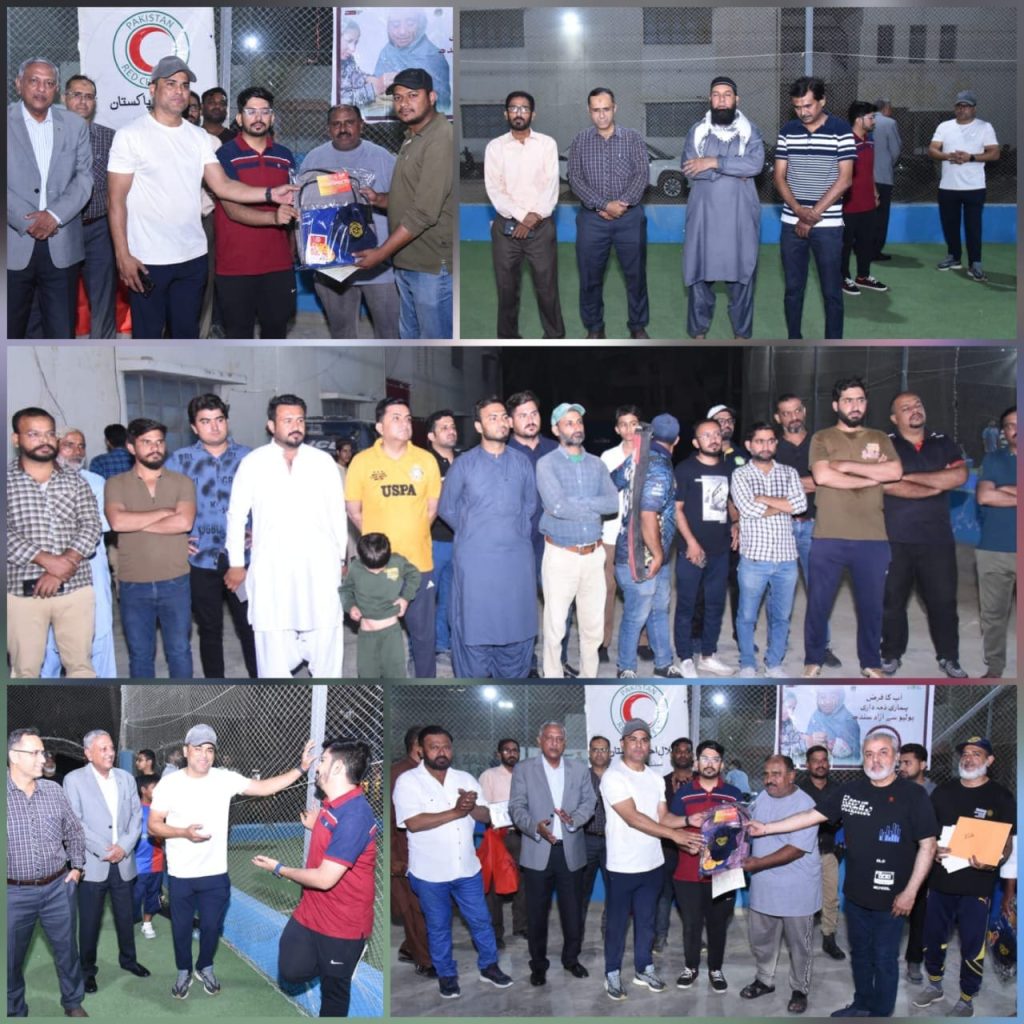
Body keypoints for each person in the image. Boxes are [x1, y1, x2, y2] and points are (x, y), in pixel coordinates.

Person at [749, 731, 939, 1018]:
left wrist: (911, 892)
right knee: (860, 955)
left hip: (894, 898)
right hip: (856, 895)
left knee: (885, 959)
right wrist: (766, 828)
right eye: (869, 753)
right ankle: (861, 1004)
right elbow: (810, 817)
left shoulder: (913, 795)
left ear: (896, 757)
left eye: (883, 752)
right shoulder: (851, 792)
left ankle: (881, 1013)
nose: (875, 759)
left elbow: (928, 846)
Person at [106, 56, 297, 339]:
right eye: (170, 84)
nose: (179, 91)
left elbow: (223, 186)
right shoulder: (129, 135)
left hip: (193, 258)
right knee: (147, 340)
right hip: (147, 259)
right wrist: (123, 255)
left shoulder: (199, 138)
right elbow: (116, 201)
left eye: (184, 85)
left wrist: (269, 193)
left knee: (186, 336)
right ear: (152, 89)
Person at [149, 724, 318, 999]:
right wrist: (183, 833)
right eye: (198, 749)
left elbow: (264, 788)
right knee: (180, 929)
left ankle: (205, 966)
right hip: (180, 874)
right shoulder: (170, 783)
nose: (204, 755)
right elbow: (154, 825)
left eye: (209, 749)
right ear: (185, 751)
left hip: (215, 874)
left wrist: (300, 769)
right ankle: (183, 970)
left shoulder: (224, 779)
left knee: (211, 927)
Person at [251, 738, 378, 1017]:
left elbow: (324, 879)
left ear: (337, 768)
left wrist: (278, 868)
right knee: (291, 969)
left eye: (322, 761)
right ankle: (338, 965)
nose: (317, 767)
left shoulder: (355, 815)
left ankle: (343, 964)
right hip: (311, 912)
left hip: (343, 925)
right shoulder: (331, 805)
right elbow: (329, 828)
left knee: (334, 993)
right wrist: (315, 824)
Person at [225, 394, 347, 678]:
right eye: (287, 420)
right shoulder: (254, 462)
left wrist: (341, 557)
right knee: (273, 641)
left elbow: (336, 514)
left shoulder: (322, 462)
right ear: (271, 425)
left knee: (326, 634)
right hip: (272, 568)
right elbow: (236, 515)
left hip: (319, 565)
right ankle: (280, 714)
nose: (296, 426)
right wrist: (235, 563)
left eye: (300, 420)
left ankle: (326, 709)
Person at [392, 726, 513, 999]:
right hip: (429, 873)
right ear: (421, 750)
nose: (441, 751)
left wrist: (473, 807)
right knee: (438, 926)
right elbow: (413, 822)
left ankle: (489, 967)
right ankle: (447, 975)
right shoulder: (408, 781)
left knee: (481, 921)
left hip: (467, 869)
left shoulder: (466, 778)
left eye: (446, 746)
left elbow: (484, 816)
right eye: (434, 747)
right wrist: (457, 811)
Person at [803, 377, 902, 677]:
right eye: (848, 400)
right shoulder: (822, 438)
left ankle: (870, 663)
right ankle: (813, 659)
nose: (854, 405)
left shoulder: (880, 437)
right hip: (828, 536)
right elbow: (823, 477)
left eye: (860, 399)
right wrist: (873, 476)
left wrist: (845, 466)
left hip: (872, 537)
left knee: (871, 607)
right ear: (836, 405)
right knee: (818, 604)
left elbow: (895, 470)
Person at [914, 737, 1016, 1018]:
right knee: (933, 937)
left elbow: (1009, 844)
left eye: (976, 753)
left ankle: (967, 997)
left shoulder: (1001, 797)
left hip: (977, 885)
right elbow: (927, 832)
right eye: (965, 754)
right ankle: (934, 984)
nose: (968, 758)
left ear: (989, 761)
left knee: (973, 943)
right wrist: (932, 848)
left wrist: (996, 860)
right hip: (940, 881)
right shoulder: (943, 793)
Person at [438, 397, 537, 677]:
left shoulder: (521, 463)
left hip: (515, 562)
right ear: (479, 426)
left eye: (504, 416)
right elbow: (447, 508)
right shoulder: (464, 464)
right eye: (492, 417)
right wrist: (474, 531)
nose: (501, 421)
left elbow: (529, 505)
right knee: (474, 625)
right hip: (476, 562)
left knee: (516, 625)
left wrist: (509, 534)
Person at [601, 720, 699, 1000]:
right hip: (622, 866)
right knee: (617, 924)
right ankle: (612, 973)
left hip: (653, 864)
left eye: (644, 739)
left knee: (646, 922)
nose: (639, 744)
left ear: (650, 745)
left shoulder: (656, 779)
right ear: (622, 744)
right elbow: (632, 818)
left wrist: (688, 821)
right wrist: (674, 836)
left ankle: (644, 968)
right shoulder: (613, 776)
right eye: (633, 739)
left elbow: (662, 818)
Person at [346, 397, 442, 678]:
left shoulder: (425, 460)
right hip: (378, 568)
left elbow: (431, 509)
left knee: (424, 638)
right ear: (379, 426)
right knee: (377, 637)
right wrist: (379, 548)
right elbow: (354, 511)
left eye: (408, 418)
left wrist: (409, 534)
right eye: (396, 418)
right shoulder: (362, 463)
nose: (405, 423)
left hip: (419, 565)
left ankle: (426, 690)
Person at [354, 69, 453, 339]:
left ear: (432, 97)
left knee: (433, 341)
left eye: (412, 95)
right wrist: (379, 199)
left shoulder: (441, 138)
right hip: (409, 261)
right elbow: (411, 197)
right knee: (410, 339)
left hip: (431, 266)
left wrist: (380, 254)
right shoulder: (413, 136)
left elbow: (423, 213)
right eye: (397, 97)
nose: (403, 103)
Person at [165, 394, 256, 678]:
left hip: (243, 558)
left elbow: (271, 501)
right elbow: (163, 506)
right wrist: (176, 538)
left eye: (219, 420)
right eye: (205, 422)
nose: (214, 427)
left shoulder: (250, 458)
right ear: (194, 427)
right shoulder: (179, 461)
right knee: (209, 628)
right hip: (201, 560)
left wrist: (261, 530)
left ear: (227, 421)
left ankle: (262, 686)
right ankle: (215, 685)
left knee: (251, 625)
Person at [7, 407, 102, 678]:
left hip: (75, 589)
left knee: (81, 668)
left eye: (49, 433)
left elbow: (91, 524)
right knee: (25, 671)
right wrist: (47, 560)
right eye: (34, 434)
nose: (44, 440)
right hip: (22, 592)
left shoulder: (74, 480)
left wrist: (62, 567)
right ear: (17, 439)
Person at [880, 392, 968, 677]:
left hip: (937, 540)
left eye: (918, 404)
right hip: (894, 539)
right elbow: (883, 484)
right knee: (892, 603)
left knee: (943, 602)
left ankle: (949, 657)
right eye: (906, 408)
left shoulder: (943, 441)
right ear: (895, 418)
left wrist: (903, 476)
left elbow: (958, 476)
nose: (914, 410)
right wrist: (934, 483)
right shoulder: (885, 444)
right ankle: (891, 654)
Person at [8, 58, 92, 339]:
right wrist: (26, 219)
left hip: (61, 244)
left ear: (56, 90)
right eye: (34, 81)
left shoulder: (74, 125)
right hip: (13, 244)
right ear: (18, 84)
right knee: (10, 332)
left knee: (61, 332)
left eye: (48, 83)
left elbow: (84, 178)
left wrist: (53, 216)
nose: (41, 89)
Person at [104, 418, 196, 679]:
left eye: (159, 442)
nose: (155, 448)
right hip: (134, 584)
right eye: (146, 442)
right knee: (140, 655)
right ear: (132, 447)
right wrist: (163, 513)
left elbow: (184, 522)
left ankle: (184, 708)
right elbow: (117, 521)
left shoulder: (182, 482)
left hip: (176, 582)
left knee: (179, 651)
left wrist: (136, 520)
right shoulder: (116, 483)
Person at [7, 727, 88, 1018]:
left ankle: (73, 1001)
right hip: (12, 893)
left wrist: (77, 867)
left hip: (58, 888)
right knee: (10, 958)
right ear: (14, 757)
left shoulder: (54, 791)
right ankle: (15, 1009)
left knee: (67, 950)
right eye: (36, 753)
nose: (43, 758)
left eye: (42, 752)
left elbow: (75, 832)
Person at [299, 104, 399, 339]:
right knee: (342, 333)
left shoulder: (382, 157)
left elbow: (403, 201)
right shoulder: (314, 158)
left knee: (390, 332)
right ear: (328, 129)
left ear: (361, 125)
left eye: (349, 122)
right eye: (336, 124)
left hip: (378, 265)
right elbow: (302, 206)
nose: (343, 129)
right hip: (332, 266)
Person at [509, 722, 596, 986]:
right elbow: (516, 806)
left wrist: (573, 821)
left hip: (570, 851)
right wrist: (534, 827)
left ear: (565, 743)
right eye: (550, 738)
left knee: (573, 912)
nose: (555, 743)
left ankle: (571, 959)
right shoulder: (524, 770)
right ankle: (538, 965)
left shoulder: (580, 770)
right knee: (536, 914)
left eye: (559, 739)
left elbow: (589, 802)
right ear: (540, 740)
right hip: (538, 851)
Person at [537, 402, 620, 678]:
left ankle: (589, 681)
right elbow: (557, 507)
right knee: (555, 628)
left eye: (579, 422)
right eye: (569, 422)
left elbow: (611, 504)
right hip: (561, 555)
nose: (576, 427)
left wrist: (579, 502)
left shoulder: (596, 464)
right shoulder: (546, 464)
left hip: (594, 556)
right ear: (555, 429)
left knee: (592, 629)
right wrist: (589, 504)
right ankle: (553, 681)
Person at [63, 730, 149, 993]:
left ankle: (129, 960)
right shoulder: (73, 780)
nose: (110, 753)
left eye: (111, 747)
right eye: (102, 749)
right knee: (89, 922)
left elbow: (136, 818)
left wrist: (123, 847)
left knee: (126, 917)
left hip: (123, 863)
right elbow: (75, 822)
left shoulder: (125, 778)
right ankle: (87, 970)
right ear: (88, 753)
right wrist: (105, 850)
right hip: (91, 864)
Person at [681, 76, 764, 339]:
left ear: (736, 99)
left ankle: (741, 334)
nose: (721, 100)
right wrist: (731, 169)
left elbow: (755, 166)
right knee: (699, 277)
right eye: (716, 95)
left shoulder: (750, 130)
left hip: (739, 218)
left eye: (727, 95)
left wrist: (713, 162)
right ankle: (698, 333)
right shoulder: (697, 131)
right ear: (710, 99)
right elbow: (689, 169)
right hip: (704, 217)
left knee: (741, 276)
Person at [212, 87, 298, 338]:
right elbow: (232, 208)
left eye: (264, 112)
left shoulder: (285, 156)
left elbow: (293, 205)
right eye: (251, 111)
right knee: (238, 337)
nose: (258, 117)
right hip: (236, 267)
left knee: (276, 333)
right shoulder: (224, 155)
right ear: (239, 118)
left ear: (272, 117)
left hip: (278, 265)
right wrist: (273, 217)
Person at [774, 76, 855, 339]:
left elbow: (845, 179)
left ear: (822, 101)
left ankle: (834, 344)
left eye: (808, 105)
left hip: (828, 226)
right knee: (792, 290)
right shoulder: (788, 131)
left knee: (832, 292)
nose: (803, 112)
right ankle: (793, 340)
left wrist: (811, 216)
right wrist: (799, 211)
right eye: (797, 107)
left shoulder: (841, 130)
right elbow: (778, 177)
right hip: (791, 223)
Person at [740, 755, 820, 1015]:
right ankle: (765, 980)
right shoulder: (763, 797)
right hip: (763, 887)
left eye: (776, 774)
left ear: (791, 775)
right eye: (766, 774)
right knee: (761, 939)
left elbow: (796, 850)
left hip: (797, 891)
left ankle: (800, 988)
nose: (769, 780)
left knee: (800, 945)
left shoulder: (806, 804)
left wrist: (757, 864)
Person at [568, 87, 649, 340]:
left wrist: (621, 204)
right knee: (590, 277)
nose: (601, 115)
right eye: (596, 110)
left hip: (630, 219)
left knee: (635, 276)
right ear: (589, 111)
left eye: (606, 109)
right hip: (592, 220)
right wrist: (604, 205)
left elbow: (642, 175)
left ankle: (637, 326)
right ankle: (594, 327)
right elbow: (575, 179)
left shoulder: (633, 138)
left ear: (615, 108)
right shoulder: (580, 141)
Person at [484, 90, 565, 339]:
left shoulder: (547, 144)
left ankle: (555, 338)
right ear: (506, 113)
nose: (519, 113)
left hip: (540, 228)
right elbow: (495, 190)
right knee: (506, 290)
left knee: (547, 288)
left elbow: (551, 186)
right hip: (507, 229)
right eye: (514, 108)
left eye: (524, 108)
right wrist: (523, 217)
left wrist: (532, 219)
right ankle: (508, 341)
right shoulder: (495, 147)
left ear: (533, 113)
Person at [731, 421, 807, 677]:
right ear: (749, 445)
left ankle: (774, 662)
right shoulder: (740, 475)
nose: (765, 446)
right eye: (760, 441)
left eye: (770, 440)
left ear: (776, 443)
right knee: (747, 616)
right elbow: (748, 510)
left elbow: (800, 504)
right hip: (755, 559)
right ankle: (747, 663)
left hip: (787, 559)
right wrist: (783, 504)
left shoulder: (789, 473)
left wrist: (763, 499)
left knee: (782, 617)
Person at [612, 413, 684, 679]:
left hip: (654, 554)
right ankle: (626, 667)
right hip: (642, 554)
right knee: (637, 612)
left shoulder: (637, 459)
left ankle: (663, 662)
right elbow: (647, 514)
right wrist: (656, 554)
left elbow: (613, 481)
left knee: (659, 608)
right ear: (677, 440)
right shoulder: (660, 467)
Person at [40, 428, 116, 678]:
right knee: (48, 642)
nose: (77, 451)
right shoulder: (36, 481)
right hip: (47, 569)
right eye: (69, 445)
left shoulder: (96, 482)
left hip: (91, 567)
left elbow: (96, 527)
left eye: (81, 445)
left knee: (99, 632)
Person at [773, 394, 842, 667]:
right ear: (779, 418)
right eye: (786, 413)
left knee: (819, 590)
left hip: (817, 526)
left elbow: (830, 480)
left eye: (797, 411)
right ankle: (776, 647)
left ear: (804, 411)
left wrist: (786, 483)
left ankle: (821, 647)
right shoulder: (772, 446)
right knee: (780, 591)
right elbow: (766, 487)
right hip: (781, 527)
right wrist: (814, 481)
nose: (793, 417)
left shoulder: (822, 443)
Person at [670, 739, 743, 992]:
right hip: (687, 873)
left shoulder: (733, 795)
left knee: (717, 924)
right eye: (705, 758)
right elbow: (669, 825)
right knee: (691, 924)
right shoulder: (684, 793)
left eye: (715, 759)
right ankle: (690, 967)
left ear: (721, 764)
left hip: (723, 873)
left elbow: (740, 834)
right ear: (696, 762)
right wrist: (683, 844)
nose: (709, 764)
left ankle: (715, 968)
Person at [672, 419, 737, 678]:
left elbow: (731, 502)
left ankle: (708, 655)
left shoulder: (729, 469)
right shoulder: (685, 469)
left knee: (715, 604)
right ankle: (685, 657)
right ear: (696, 442)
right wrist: (691, 542)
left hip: (720, 550)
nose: (713, 439)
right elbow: (676, 510)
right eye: (706, 435)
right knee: (687, 604)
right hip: (692, 550)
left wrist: (737, 523)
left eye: (717, 434)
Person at [505, 390, 563, 675]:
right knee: (523, 607)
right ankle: (526, 664)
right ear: (511, 421)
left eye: (534, 413)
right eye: (522, 415)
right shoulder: (504, 453)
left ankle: (558, 662)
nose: (530, 420)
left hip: (554, 539)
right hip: (519, 542)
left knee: (560, 605)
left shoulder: (556, 449)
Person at [63, 74, 117, 339]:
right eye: (76, 95)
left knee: (103, 298)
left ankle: (103, 350)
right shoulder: (50, 136)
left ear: (95, 102)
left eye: (88, 96)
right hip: (61, 230)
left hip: (98, 228)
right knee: (60, 299)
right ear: (64, 98)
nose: (82, 102)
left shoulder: (109, 138)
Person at [929, 91, 999, 282]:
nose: (962, 109)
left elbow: (994, 153)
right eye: (959, 106)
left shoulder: (985, 127)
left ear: (974, 109)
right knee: (950, 225)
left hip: (974, 187)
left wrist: (972, 157)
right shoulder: (945, 126)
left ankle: (975, 263)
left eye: (966, 106)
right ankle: (954, 257)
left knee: (973, 227)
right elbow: (933, 149)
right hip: (948, 187)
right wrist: (948, 156)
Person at [340, 532, 420, 678]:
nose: (376, 572)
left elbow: (415, 575)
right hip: (367, 636)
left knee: (396, 677)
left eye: (381, 568)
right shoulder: (355, 568)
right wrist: (350, 606)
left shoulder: (397, 562)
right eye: (371, 569)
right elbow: (345, 590)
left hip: (392, 634)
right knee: (367, 677)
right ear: (361, 559)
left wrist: (405, 598)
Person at [973, 406, 1016, 677]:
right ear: (1004, 432)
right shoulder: (993, 459)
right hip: (993, 550)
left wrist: (1005, 491)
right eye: (1011, 425)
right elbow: (985, 497)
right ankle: (995, 667)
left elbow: (996, 493)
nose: (1017, 430)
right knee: (993, 616)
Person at [390, 726, 434, 978]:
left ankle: (410, 948)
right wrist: (395, 858)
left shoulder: (428, 773)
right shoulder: (398, 773)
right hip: (404, 855)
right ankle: (425, 960)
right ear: (417, 747)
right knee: (414, 909)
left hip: (429, 853)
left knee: (427, 908)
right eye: (431, 744)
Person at [599, 404, 642, 662]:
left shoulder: (650, 454)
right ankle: (602, 643)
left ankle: (643, 640)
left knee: (640, 588)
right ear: (617, 429)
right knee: (606, 589)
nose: (629, 428)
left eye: (633, 423)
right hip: (611, 533)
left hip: (641, 534)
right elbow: (604, 493)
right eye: (623, 424)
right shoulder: (608, 457)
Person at [796, 745, 846, 960]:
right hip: (801, 852)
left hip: (827, 850)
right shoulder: (797, 789)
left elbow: (847, 819)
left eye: (824, 760)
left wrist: (841, 847)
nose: (820, 764)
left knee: (830, 897)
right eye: (815, 760)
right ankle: (799, 940)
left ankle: (829, 938)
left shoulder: (838, 789)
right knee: (801, 897)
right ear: (808, 765)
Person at [478, 739, 527, 947]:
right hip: (499, 835)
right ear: (499, 754)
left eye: (515, 750)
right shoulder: (489, 776)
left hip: (523, 834)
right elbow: (483, 807)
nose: (511, 753)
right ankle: (496, 932)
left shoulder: (526, 775)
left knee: (524, 882)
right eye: (507, 750)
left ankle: (522, 926)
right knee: (494, 886)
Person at [841, 102, 888, 297]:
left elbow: (868, 171)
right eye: (871, 117)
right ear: (859, 119)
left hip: (868, 202)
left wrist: (875, 192)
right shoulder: (845, 142)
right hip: (848, 204)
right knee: (844, 244)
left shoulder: (869, 141)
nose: (874, 121)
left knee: (866, 243)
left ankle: (863, 276)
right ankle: (842, 277)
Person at [898, 742, 935, 983]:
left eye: (907, 762)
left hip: (923, 863)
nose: (901, 767)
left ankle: (914, 962)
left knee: (920, 914)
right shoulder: (893, 789)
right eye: (900, 762)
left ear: (923, 765)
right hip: (896, 860)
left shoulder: (935, 793)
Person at [654, 737, 694, 953]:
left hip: (692, 849)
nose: (682, 754)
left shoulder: (700, 783)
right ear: (672, 755)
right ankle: (660, 936)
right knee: (664, 895)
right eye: (678, 751)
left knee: (690, 898)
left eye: (686, 751)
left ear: (692, 756)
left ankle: (695, 937)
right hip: (667, 848)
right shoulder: (661, 782)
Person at [374, 11, 452, 111]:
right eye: (395, 25)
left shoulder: (432, 56)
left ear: (420, 25)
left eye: (410, 24)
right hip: (389, 122)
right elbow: (375, 97)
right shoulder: (388, 51)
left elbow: (443, 105)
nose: (402, 31)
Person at [425, 410, 457, 656]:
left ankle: (443, 643)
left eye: (452, 426)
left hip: (460, 541)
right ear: (431, 435)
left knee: (451, 598)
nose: (451, 430)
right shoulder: (425, 463)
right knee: (427, 598)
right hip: (434, 541)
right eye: (444, 427)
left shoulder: (465, 461)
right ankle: (423, 649)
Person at [580, 735, 611, 936]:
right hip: (586, 840)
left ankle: (608, 928)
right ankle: (577, 930)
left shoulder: (617, 777)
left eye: (603, 749)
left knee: (615, 889)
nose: (599, 753)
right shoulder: (580, 777)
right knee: (582, 890)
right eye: (595, 749)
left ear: (610, 753)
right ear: (589, 753)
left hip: (613, 841)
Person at [871, 98, 901, 262]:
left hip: (861, 178)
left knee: (863, 214)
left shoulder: (862, 120)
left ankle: (859, 245)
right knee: (880, 216)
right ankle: (875, 250)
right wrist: (888, 163)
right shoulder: (889, 123)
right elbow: (895, 150)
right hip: (882, 176)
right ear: (886, 108)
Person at [134, 773, 164, 939]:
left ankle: (147, 923)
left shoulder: (160, 811)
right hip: (137, 864)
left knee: (153, 894)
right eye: (154, 787)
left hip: (156, 862)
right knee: (135, 896)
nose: (158, 791)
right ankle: (130, 920)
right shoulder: (133, 810)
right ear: (143, 790)